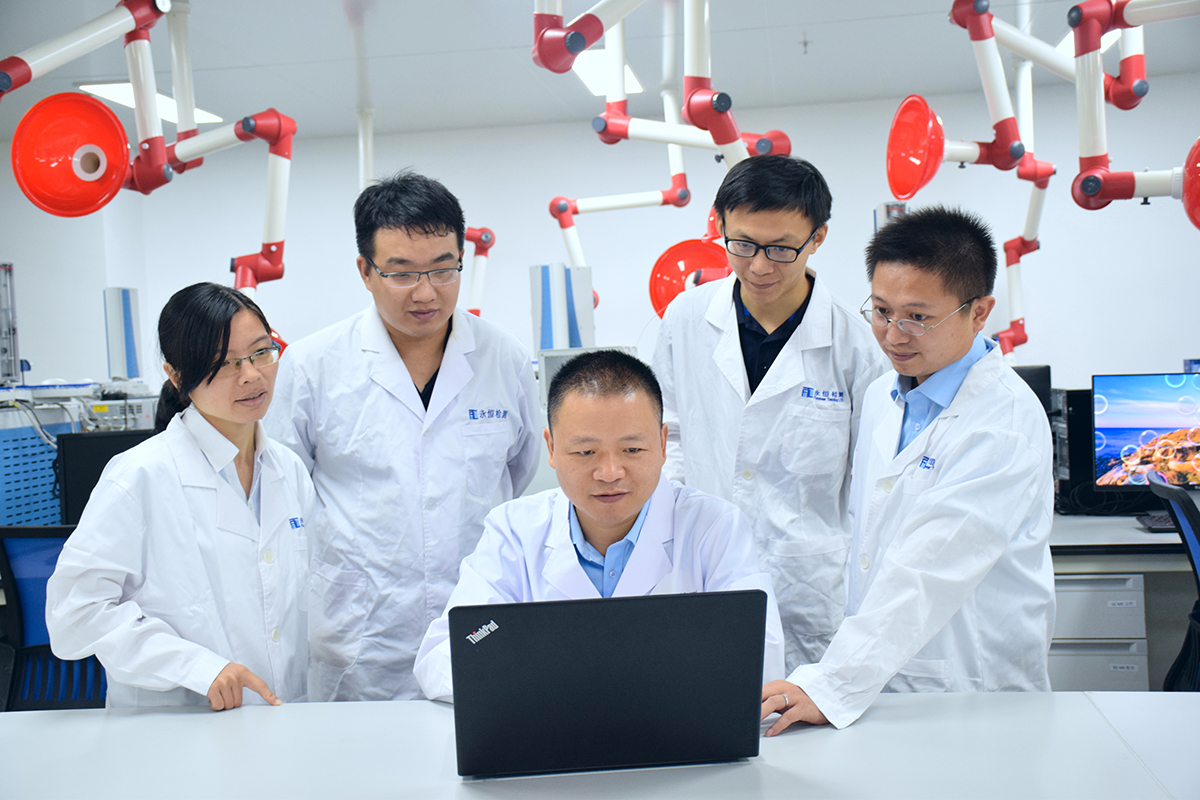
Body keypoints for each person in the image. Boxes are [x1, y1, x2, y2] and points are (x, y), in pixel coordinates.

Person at [761, 206, 1056, 732]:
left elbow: (929, 567)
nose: (893, 335)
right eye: (881, 311)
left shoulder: (1001, 423)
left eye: (918, 317)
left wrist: (835, 681)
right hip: (883, 674)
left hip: (971, 682)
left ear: (979, 313)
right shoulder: (883, 394)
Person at [265, 171, 540, 701]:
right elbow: (285, 490)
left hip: (478, 620)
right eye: (402, 273)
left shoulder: (503, 357)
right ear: (365, 272)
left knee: (475, 743)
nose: (425, 292)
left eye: (443, 269)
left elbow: (518, 470)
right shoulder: (313, 365)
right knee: (360, 753)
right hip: (361, 631)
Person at [414, 350, 785, 701]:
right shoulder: (514, 531)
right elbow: (446, 654)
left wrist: (545, 674)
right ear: (552, 448)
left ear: (662, 443)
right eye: (586, 452)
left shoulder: (713, 528)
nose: (609, 472)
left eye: (632, 450)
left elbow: (758, 659)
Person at [652, 155, 888, 671]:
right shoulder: (685, 319)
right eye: (742, 244)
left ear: (818, 237)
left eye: (781, 249)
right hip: (703, 569)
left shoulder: (855, 345)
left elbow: (871, 483)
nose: (759, 266)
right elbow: (666, 437)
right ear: (720, 226)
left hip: (809, 590)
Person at [46, 283, 315, 710]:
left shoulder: (289, 470)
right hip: (175, 724)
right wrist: (195, 666)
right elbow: (74, 614)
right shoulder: (139, 477)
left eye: (261, 352)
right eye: (223, 363)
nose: (251, 375)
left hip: (282, 715)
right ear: (175, 375)